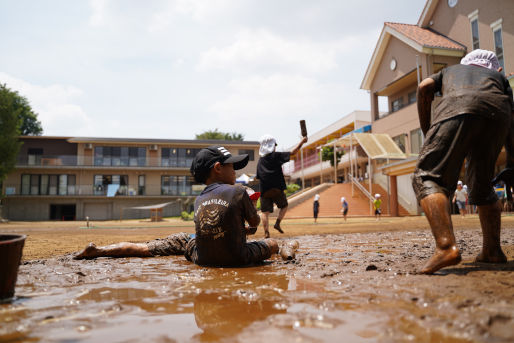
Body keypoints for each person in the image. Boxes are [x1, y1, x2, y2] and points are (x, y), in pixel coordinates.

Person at [75, 145, 280, 267]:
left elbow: (209, 230)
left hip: (202, 256)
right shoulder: (238, 191)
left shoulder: (199, 199)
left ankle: (99, 250)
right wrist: (249, 211)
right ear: (218, 168)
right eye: (232, 166)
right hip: (237, 257)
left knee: (151, 247)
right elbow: (252, 228)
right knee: (272, 245)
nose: (235, 171)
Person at [412, 49, 513, 274]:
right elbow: (511, 115)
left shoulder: (451, 71)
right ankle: (492, 251)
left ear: (465, 64)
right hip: (498, 116)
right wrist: (511, 160)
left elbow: (423, 87)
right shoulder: (499, 79)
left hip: (457, 108)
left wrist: (427, 130)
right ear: (495, 70)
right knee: (482, 185)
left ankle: (446, 247)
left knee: (427, 176)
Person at [256, 134, 308, 238]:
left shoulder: (260, 161)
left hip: (265, 190)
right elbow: (293, 153)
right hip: (277, 188)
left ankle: (266, 232)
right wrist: (301, 142)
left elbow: (258, 176)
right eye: (274, 145)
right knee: (284, 206)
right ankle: (277, 223)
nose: (275, 147)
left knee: (264, 213)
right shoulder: (276, 156)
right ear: (272, 145)